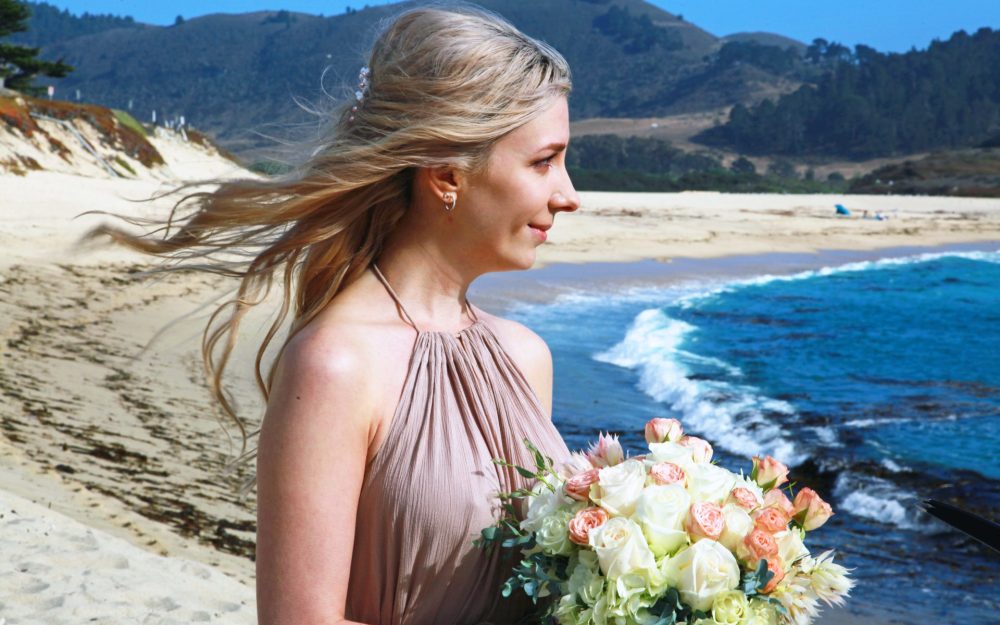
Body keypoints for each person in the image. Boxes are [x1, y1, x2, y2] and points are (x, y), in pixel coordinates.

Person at [92, 4, 580, 624]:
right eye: (544, 161)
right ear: (447, 173)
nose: (569, 195)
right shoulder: (336, 365)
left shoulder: (524, 357)